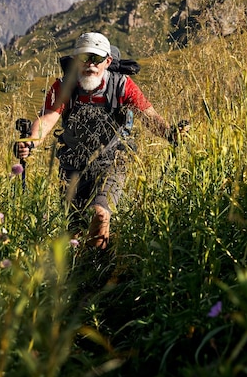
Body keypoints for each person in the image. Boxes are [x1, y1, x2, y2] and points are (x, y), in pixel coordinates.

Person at [16, 32, 188, 250]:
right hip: (73, 162)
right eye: (84, 57)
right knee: (75, 229)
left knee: (99, 212)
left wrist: (170, 134)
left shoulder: (122, 85)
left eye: (96, 59)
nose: (90, 64)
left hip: (113, 160)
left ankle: (97, 266)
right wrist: (30, 142)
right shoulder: (64, 86)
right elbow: (49, 118)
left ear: (107, 61)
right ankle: (81, 271)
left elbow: (149, 117)